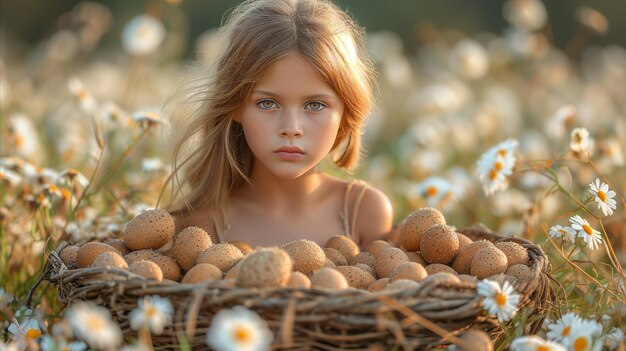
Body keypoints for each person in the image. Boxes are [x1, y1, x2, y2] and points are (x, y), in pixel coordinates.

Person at [163, 0, 393, 249]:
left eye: (315, 105)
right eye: (268, 103)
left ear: (346, 111)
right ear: (235, 107)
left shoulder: (365, 212)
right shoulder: (199, 224)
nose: (291, 128)